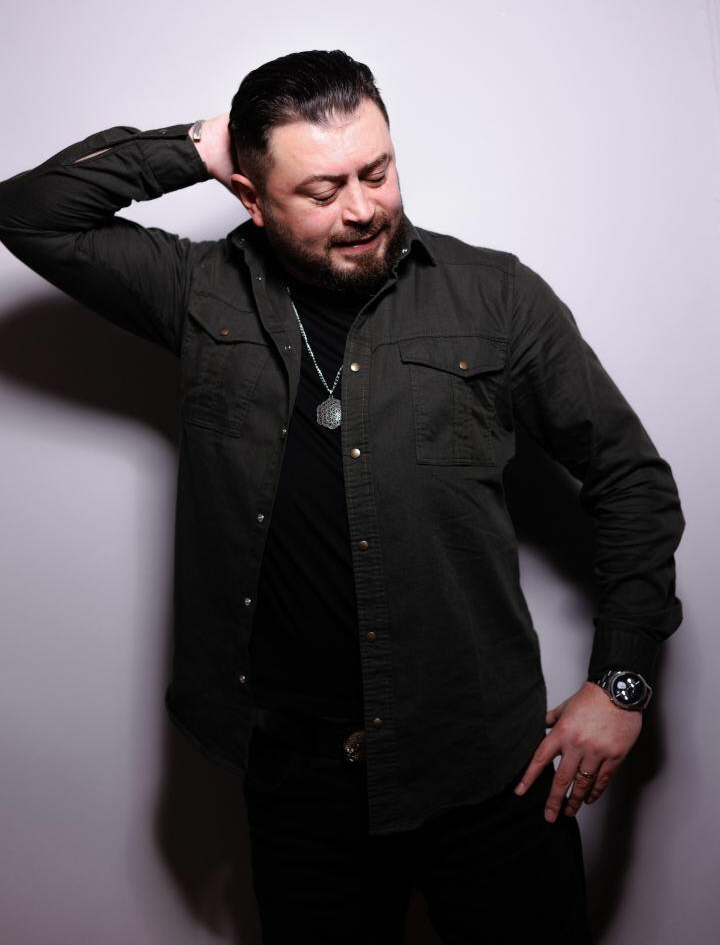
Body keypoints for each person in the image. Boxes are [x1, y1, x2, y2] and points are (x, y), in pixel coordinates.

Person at [0, 49, 684, 943]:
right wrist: (205, 143)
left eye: (377, 170)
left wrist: (622, 683)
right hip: (298, 783)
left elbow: (631, 479)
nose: (362, 208)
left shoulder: (497, 297)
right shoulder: (199, 291)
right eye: (322, 190)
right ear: (250, 197)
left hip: (486, 767)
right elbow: (30, 212)